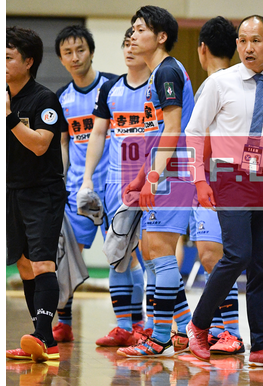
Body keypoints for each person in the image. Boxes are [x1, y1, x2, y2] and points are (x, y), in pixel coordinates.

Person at [185, 15, 263, 367]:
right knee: (237, 255)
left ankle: (262, 347)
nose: (248, 48)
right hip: (229, 176)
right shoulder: (220, 83)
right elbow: (194, 131)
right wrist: (199, 179)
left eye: (256, 40)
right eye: (242, 40)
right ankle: (198, 325)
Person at [117, 5, 196, 358]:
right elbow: (157, 135)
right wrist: (139, 178)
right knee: (150, 251)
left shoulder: (166, 71)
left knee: (160, 252)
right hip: (162, 172)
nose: (133, 35)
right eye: (132, 29)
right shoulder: (156, 74)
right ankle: (185, 327)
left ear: (161, 36)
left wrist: (151, 177)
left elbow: (175, 129)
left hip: (174, 173)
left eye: (141, 29)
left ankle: (161, 335)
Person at [80, 27, 150, 347]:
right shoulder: (110, 88)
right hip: (116, 185)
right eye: (125, 44)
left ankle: (150, 324)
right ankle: (125, 325)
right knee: (119, 253)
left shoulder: (159, 87)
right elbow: (97, 134)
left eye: (135, 43)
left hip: (153, 184)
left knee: (152, 255)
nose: (129, 49)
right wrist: (87, 178)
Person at [53, 25, 118, 342]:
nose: (75, 57)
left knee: (122, 256)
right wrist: (60, 183)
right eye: (68, 52)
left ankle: (132, 325)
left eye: (80, 50)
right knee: (65, 256)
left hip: (114, 189)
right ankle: (63, 322)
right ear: (61, 59)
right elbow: (63, 145)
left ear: (91, 51)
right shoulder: (61, 98)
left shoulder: (114, 87)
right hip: (78, 191)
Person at [6, 26, 65, 362]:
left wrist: (9, 117)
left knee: (42, 263)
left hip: (43, 192)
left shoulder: (45, 100)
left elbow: (41, 145)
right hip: (12, 191)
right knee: (25, 266)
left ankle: (43, 336)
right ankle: (45, 339)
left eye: (8, 58)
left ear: (28, 61)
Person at [191, 16, 244, 355]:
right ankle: (221, 328)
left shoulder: (219, 85)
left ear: (203, 49)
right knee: (212, 256)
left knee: (215, 256)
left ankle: (232, 332)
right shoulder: (225, 84)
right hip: (218, 182)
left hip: (220, 183)